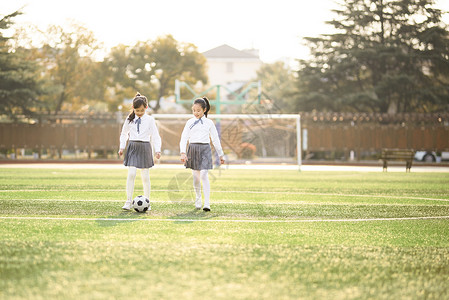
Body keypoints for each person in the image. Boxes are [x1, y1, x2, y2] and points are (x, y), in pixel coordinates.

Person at [180, 97, 225, 212]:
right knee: (196, 178)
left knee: (204, 175)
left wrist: (221, 154)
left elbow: (215, 139)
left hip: (205, 149)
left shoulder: (209, 123)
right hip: (193, 149)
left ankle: (207, 203)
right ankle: (198, 198)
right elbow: (184, 138)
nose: (196, 113)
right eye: (194, 110)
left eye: (198, 110)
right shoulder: (189, 122)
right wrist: (182, 152)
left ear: (204, 110)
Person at [118, 93, 162, 210]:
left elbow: (155, 136)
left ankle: (147, 202)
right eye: (137, 110)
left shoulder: (150, 120)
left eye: (142, 110)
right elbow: (124, 134)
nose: (139, 113)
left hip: (145, 147)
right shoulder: (129, 119)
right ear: (133, 108)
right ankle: (128, 201)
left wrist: (158, 150)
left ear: (146, 108)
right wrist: (122, 147)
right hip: (133, 147)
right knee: (131, 173)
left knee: (145, 176)